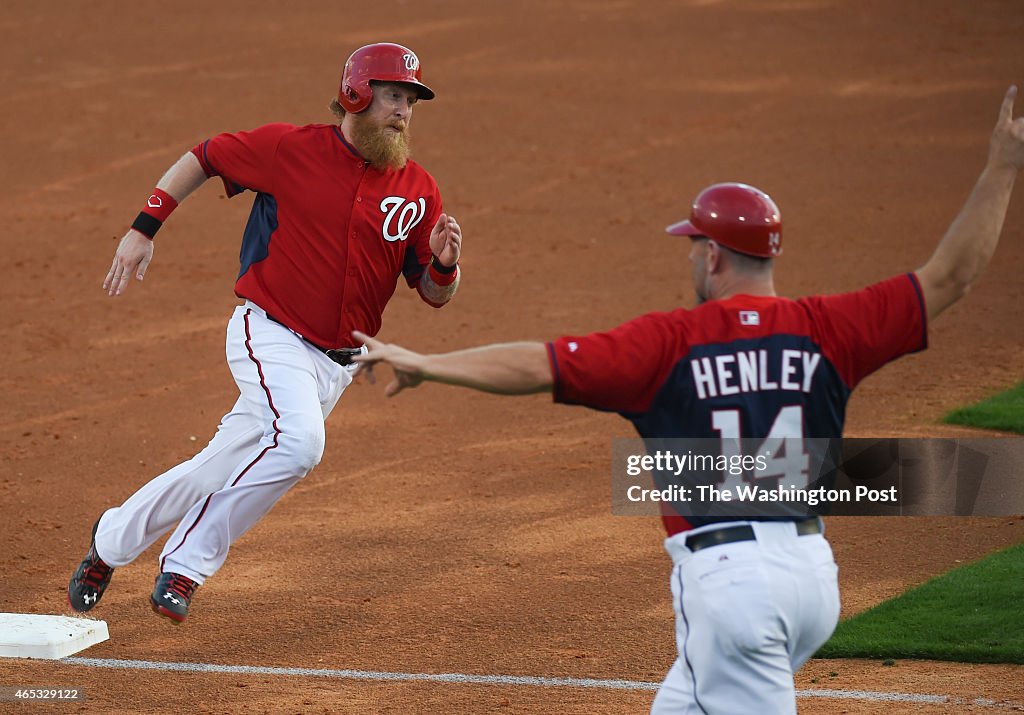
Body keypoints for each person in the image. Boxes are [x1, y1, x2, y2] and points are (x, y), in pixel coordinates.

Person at [350, 87, 1024, 713]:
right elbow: (952, 275)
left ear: (713, 258)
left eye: (693, 245)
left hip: (734, 589)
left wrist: (427, 364)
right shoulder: (830, 327)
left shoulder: (669, 343)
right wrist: (1000, 166)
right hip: (812, 578)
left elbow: (536, 363)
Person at [67, 42, 464, 624]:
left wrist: (445, 264)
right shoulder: (290, 149)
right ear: (356, 94)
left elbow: (431, 293)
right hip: (270, 332)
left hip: (337, 364)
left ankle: (111, 540)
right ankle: (185, 565)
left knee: (215, 467)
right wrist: (143, 228)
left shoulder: (418, 189)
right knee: (300, 444)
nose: (404, 110)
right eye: (393, 95)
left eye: (411, 100)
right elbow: (203, 156)